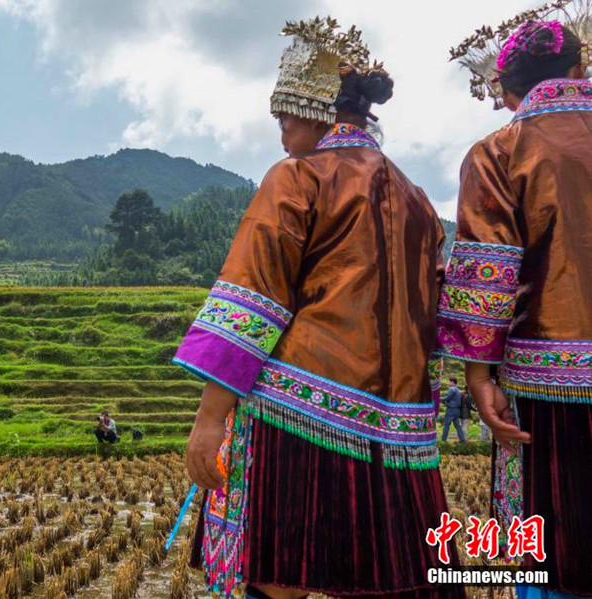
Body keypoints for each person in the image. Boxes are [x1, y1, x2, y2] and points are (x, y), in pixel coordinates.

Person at [174, 17, 462, 599]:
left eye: (284, 120)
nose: (282, 135)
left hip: (297, 414)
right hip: (400, 426)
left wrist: (209, 420)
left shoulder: (296, 177)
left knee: (279, 580)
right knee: (394, 581)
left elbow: (251, 300)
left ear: (314, 114)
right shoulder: (418, 201)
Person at [444, 5, 592, 596]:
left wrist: (478, 377)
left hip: (550, 388)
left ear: (507, 91)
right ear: (580, 68)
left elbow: (487, 278)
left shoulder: (499, 152)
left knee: (559, 551)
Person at [441, 377, 467, 443]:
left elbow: (448, 397)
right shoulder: (457, 390)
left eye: (449, 381)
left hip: (451, 410)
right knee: (457, 426)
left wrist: (440, 399)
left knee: (446, 425)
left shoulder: (452, 389)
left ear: (452, 382)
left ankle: (443, 440)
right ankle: (462, 439)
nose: (448, 383)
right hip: (457, 410)